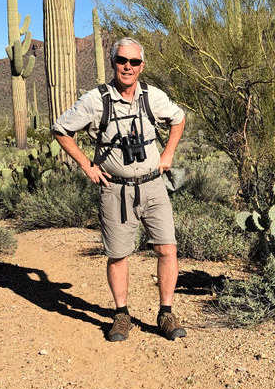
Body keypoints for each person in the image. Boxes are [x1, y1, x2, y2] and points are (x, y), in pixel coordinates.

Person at [51, 38, 187, 342]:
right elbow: (60, 129)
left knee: (167, 248)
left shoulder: (153, 96)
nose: (128, 67)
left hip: (153, 186)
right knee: (118, 254)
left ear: (142, 65)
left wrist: (168, 154)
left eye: (134, 62)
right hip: (115, 189)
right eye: (122, 60)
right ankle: (121, 314)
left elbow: (178, 119)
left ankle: (166, 313)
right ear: (113, 62)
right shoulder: (96, 100)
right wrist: (87, 164)